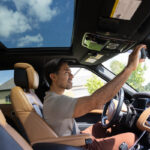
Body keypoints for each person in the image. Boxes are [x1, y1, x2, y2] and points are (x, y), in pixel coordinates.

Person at [43, 44, 146, 150]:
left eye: (70, 71)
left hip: (74, 137)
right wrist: (129, 68)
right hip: (75, 145)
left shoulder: (53, 99)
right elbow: (96, 101)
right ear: (53, 77)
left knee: (104, 125)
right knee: (131, 137)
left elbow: (94, 103)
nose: (72, 76)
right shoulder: (56, 102)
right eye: (66, 72)